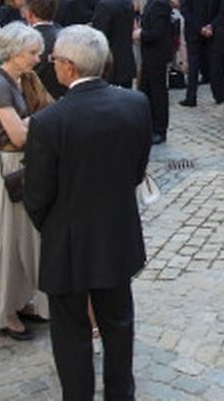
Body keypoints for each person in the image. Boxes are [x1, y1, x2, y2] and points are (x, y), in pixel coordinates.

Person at [24, 26, 151, 399]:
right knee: (118, 322)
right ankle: (119, 393)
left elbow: (37, 195)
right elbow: (135, 170)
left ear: (66, 67)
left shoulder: (49, 122)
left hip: (68, 237)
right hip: (116, 230)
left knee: (70, 331)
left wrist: (55, 225)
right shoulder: (134, 104)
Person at [0, 23, 49, 340]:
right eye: (32, 53)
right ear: (14, 52)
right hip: (10, 165)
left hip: (26, 163)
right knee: (10, 240)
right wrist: (38, 121)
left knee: (28, 238)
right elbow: (18, 135)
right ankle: (6, 310)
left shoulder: (25, 78)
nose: (38, 59)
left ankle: (22, 299)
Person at [137, 0, 174, 144]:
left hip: (156, 55)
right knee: (148, 91)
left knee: (158, 93)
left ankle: (160, 129)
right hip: (150, 54)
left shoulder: (160, 1)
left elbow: (158, 32)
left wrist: (140, 34)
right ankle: (151, 126)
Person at [179, 0, 224, 105]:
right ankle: (218, 95)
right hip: (213, 31)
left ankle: (191, 97)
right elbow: (222, 10)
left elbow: (185, 11)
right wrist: (211, 25)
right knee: (214, 63)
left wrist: (199, 27)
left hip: (193, 31)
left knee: (194, 64)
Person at [91, 0, 137, 89]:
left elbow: (100, 35)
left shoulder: (104, 4)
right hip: (126, 59)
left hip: (111, 64)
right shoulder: (126, 0)